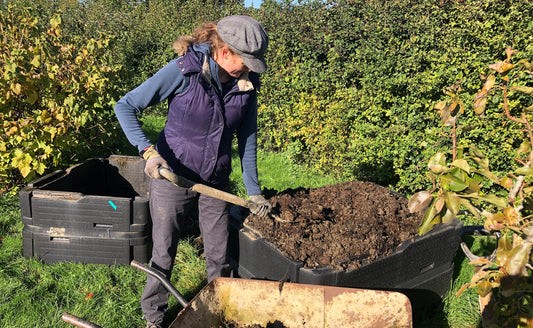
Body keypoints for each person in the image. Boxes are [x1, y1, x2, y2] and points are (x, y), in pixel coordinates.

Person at [114, 15, 272, 328]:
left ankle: (220, 313)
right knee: (164, 250)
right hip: (172, 176)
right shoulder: (184, 71)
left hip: (215, 181)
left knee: (219, 253)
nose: (251, 69)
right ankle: (154, 317)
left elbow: (248, 140)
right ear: (225, 52)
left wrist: (253, 190)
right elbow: (126, 105)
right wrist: (149, 153)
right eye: (247, 61)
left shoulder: (246, 83)